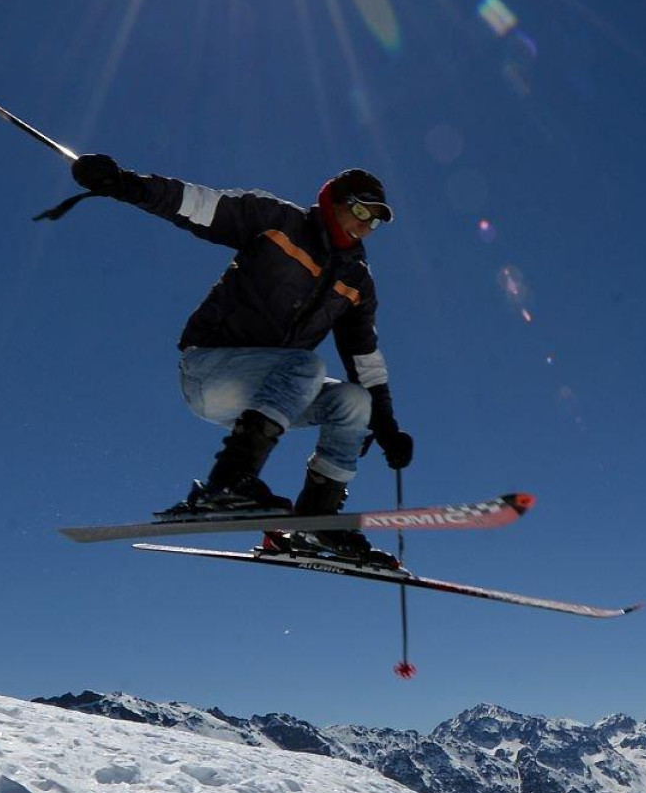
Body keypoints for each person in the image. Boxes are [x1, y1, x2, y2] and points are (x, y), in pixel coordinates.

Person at [68, 154, 416, 565]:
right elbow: (200, 204)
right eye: (360, 211)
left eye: (375, 220)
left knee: (355, 401)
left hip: (271, 390)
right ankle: (226, 485)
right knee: (306, 365)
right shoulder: (278, 222)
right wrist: (125, 184)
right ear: (334, 200)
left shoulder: (355, 280)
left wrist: (386, 425)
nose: (366, 224)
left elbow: (365, 357)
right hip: (210, 370)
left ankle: (316, 521)